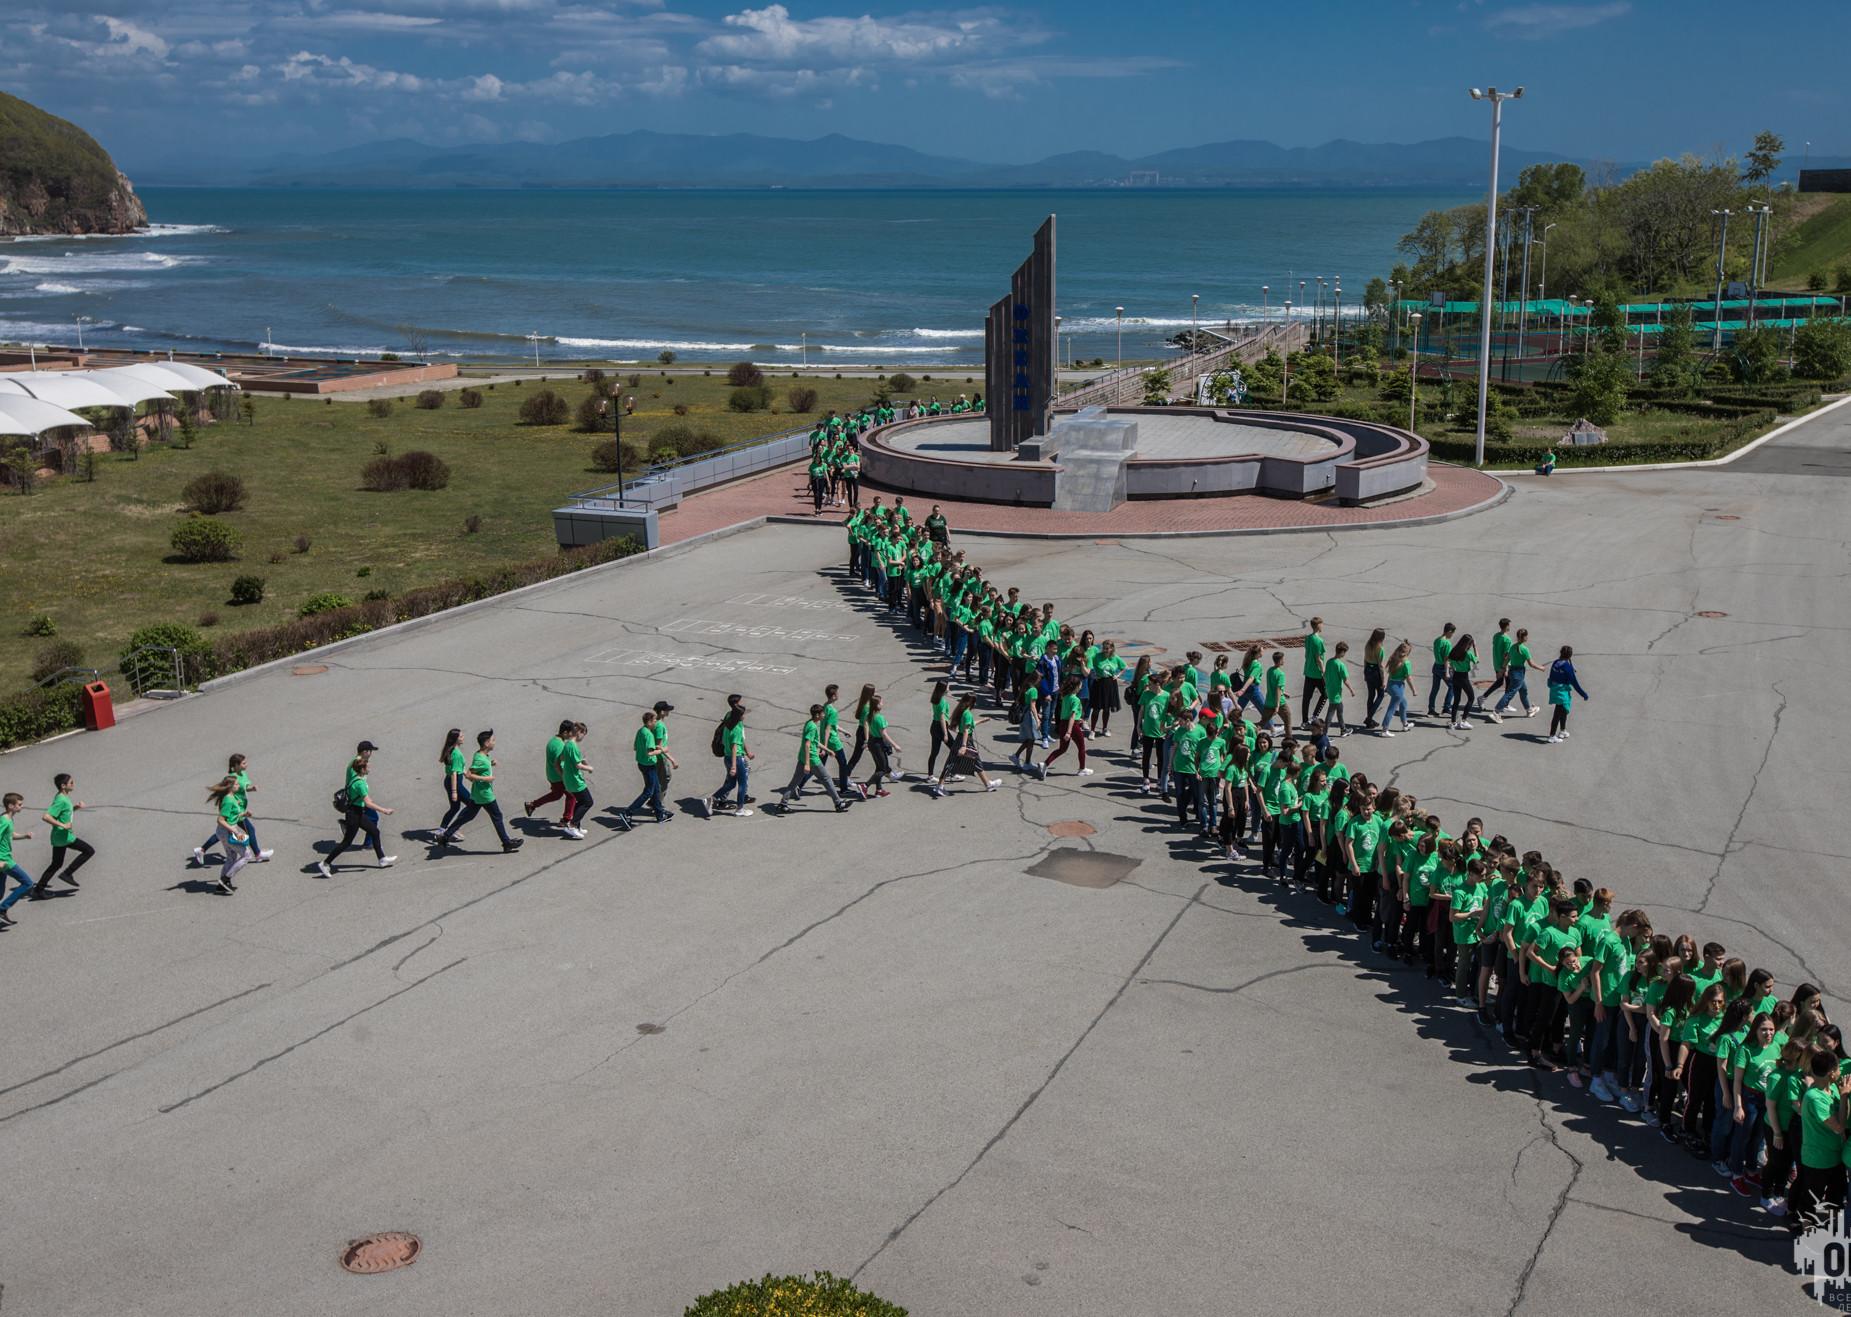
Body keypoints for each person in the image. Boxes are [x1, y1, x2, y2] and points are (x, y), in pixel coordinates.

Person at [435, 730, 524, 852]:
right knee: (497, 816)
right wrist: (486, 778)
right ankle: (506, 843)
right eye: (493, 740)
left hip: (477, 793)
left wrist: (490, 764)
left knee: (468, 815)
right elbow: (470, 774)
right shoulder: (480, 759)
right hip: (484, 794)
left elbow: (473, 770)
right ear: (486, 743)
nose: (494, 742)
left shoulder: (482, 756)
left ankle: (445, 836)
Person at [317, 751, 396, 875]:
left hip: (357, 812)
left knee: (375, 832)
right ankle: (325, 863)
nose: (370, 768)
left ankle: (382, 859)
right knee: (347, 842)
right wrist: (384, 810)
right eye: (368, 766)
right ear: (363, 769)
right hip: (354, 815)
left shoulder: (356, 778)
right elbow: (368, 803)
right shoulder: (360, 784)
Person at [192, 754, 273, 867]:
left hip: (240, 808)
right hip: (235, 809)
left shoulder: (243, 774)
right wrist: (235, 803)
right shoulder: (233, 777)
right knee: (248, 829)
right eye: (244, 763)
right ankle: (258, 854)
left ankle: (202, 849)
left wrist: (252, 788)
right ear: (236, 765)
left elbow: (243, 788)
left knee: (223, 833)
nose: (247, 764)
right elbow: (228, 792)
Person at [773, 705, 849, 814]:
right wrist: (808, 764)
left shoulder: (809, 723)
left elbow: (814, 742)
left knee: (795, 781)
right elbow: (808, 744)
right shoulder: (813, 727)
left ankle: (783, 803)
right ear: (817, 715)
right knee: (827, 779)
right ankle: (838, 803)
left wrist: (827, 749)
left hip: (803, 757)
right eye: (823, 713)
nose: (824, 715)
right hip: (812, 759)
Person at [35, 772, 95, 895]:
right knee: (89, 850)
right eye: (71, 783)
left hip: (59, 837)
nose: (73, 784)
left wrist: (75, 808)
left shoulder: (63, 797)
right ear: (63, 785)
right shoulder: (61, 800)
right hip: (64, 836)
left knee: (56, 864)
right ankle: (67, 873)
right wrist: (63, 825)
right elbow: (46, 816)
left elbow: (63, 813)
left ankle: (38, 889)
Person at [523, 720, 579, 827]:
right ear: (565, 733)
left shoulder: (553, 741)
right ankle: (566, 819)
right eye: (571, 733)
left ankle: (532, 805)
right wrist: (567, 777)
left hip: (551, 775)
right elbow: (559, 764)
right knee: (572, 795)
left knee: (556, 795)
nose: (572, 735)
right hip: (558, 776)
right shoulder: (560, 746)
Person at [205, 774, 254, 894]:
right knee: (247, 855)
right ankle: (225, 879)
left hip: (225, 831)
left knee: (232, 858)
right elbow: (220, 820)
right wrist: (234, 831)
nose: (238, 785)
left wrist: (243, 814)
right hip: (226, 832)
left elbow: (232, 816)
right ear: (230, 786)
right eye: (236, 784)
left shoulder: (232, 797)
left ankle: (221, 885)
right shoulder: (228, 800)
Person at [621, 710, 670, 827]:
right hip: (649, 766)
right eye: (654, 720)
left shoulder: (640, 731)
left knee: (656, 788)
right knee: (649, 791)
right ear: (649, 722)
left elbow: (635, 747)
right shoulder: (648, 734)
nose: (655, 722)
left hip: (642, 763)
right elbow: (650, 753)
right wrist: (663, 750)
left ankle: (660, 814)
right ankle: (628, 812)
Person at [707, 704, 754, 817]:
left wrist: (746, 753)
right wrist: (734, 766)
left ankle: (711, 799)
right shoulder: (737, 729)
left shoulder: (728, 725)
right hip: (736, 759)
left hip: (727, 757)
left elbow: (725, 742)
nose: (744, 716)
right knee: (742, 784)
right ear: (739, 716)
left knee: (731, 784)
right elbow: (735, 747)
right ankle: (740, 809)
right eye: (743, 715)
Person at [1043, 674, 1092, 777]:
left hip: (1063, 724)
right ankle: (1082, 769)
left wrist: (1079, 720)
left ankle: (1045, 763)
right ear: (1076, 687)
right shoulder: (1075, 699)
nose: (1081, 687)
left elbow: (1068, 714)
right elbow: (1072, 716)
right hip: (1072, 726)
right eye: (1080, 686)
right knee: (1081, 747)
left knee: (1062, 749)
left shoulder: (1065, 697)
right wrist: (1069, 732)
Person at [1492, 628, 1545, 720]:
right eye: (1526, 636)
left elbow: (1507, 659)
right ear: (1524, 637)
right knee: (1510, 693)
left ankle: (1529, 710)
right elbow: (1531, 664)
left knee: (1523, 690)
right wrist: (1541, 668)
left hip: (1513, 672)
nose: (1527, 637)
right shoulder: (1524, 649)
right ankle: (1496, 711)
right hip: (1519, 673)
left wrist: (1502, 670)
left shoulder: (1513, 647)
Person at [0, 792, 36, 927]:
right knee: (27, 883)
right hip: (4, 861)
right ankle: (2, 909)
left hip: (4, 859)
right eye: (19, 804)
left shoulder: (8, 819)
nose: (22, 806)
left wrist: (24, 836)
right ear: (11, 806)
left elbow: (10, 835)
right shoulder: (4, 820)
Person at [1545, 646, 1592, 743]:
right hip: (1562, 692)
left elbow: (1551, 676)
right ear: (1570, 655)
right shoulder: (1567, 667)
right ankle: (1552, 736)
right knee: (1558, 713)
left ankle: (1562, 731)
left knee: (1564, 710)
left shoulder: (1555, 663)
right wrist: (1583, 694)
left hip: (1554, 690)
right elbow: (1575, 683)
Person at [557, 723, 593, 839]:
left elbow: (561, 759)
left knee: (581, 802)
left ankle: (576, 825)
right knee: (588, 802)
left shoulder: (567, 745)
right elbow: (578, 765)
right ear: (579, 732)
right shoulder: (572, 746)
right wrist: (589, 768)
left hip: (569, 779)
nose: (583, 738)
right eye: (584, 734)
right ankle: (571, 825)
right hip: (575, 781)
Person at [437, 730, 471, 840]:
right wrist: (455, 791)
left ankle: (441, 830)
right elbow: (454, 773)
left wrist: (468, 776)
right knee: (472, 804)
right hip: (454, 783)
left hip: (451, 782)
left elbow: (460, 767)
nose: (463, 737)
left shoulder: (454, 750)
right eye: (461, 736)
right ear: (456, 739)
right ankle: (453, 829)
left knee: (454, 807)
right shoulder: (455, 753)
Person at [1379, 641, 1416, 736]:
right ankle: (1384, 730)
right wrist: (1413, 690)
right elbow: (1408, 678)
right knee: (1392, 709)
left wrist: (1387, 687)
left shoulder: (1394, 659)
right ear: (1408, 652)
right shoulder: (1406, 663)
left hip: (1391, 685)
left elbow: (1390, 674)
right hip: (1398, 688)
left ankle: (1405, 725)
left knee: (1403, 704)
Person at [1446, 634, 1480, 731]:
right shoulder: (1468, 653)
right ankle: (1464, 720)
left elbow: (1449, 662)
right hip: (1464, 677)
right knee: (1471, 697)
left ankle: (1453, 722)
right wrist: (1475, 647)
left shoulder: (1454, 651)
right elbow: (1477, 660)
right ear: (1468, 644)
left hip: (1455, 676)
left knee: (1456, 700)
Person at [1322, 641, 1356, 737]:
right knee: (1331, 713)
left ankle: (1343, 729)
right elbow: (1345, 680)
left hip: (1330, 690)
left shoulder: (1329, 662)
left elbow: (1324, 675)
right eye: (1344, 652)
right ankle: (1324, 733)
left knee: (1339, 711)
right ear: (1342, 652)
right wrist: (1351, 690)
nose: (1344, 654)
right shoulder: (1340, 665)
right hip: (1336, 693)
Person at [1300, 617, 1328, 726]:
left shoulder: (1308, 638)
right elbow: (1318, 659)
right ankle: (1314, 716)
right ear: (1318, 626)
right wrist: (1324, 672)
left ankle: (1304, 721)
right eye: (1322, 624)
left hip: (1308, 671)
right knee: (1325, 694)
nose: (1323, 626)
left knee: (1306, 698)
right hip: (1317, 674)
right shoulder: (1319, 641)